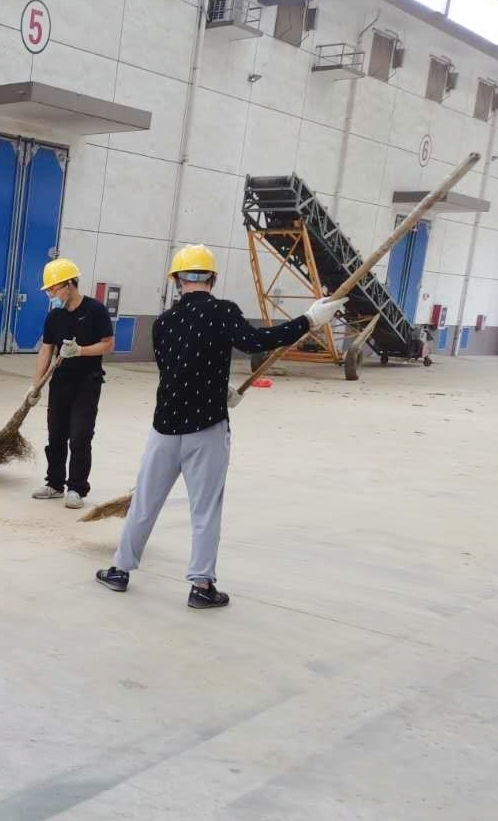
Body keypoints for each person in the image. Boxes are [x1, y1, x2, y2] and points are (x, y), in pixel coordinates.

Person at [94, 244, 346, 608]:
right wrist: (308, 320)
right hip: (206, 429)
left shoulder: (163, 322)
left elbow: (173, 370)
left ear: (177, 280)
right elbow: (257, 342)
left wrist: (218, 387)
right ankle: (201, 587)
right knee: (205, 509)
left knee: (144, 503)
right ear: (212, 278)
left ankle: (120, 570)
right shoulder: (223, 312)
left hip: (164, 429)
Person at [28, 257, 115, 510]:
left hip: (87, 383)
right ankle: (54, 484)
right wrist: (35, 385)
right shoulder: (55, 316)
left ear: (69, 284)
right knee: (56, 435)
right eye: (49, 291)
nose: (51, 296)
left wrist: (80, 351)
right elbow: (46, 349)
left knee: (80, 437)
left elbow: (108, 344)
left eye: (54, 290)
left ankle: (76, 488)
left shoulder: (95, 310)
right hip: (60, 383)